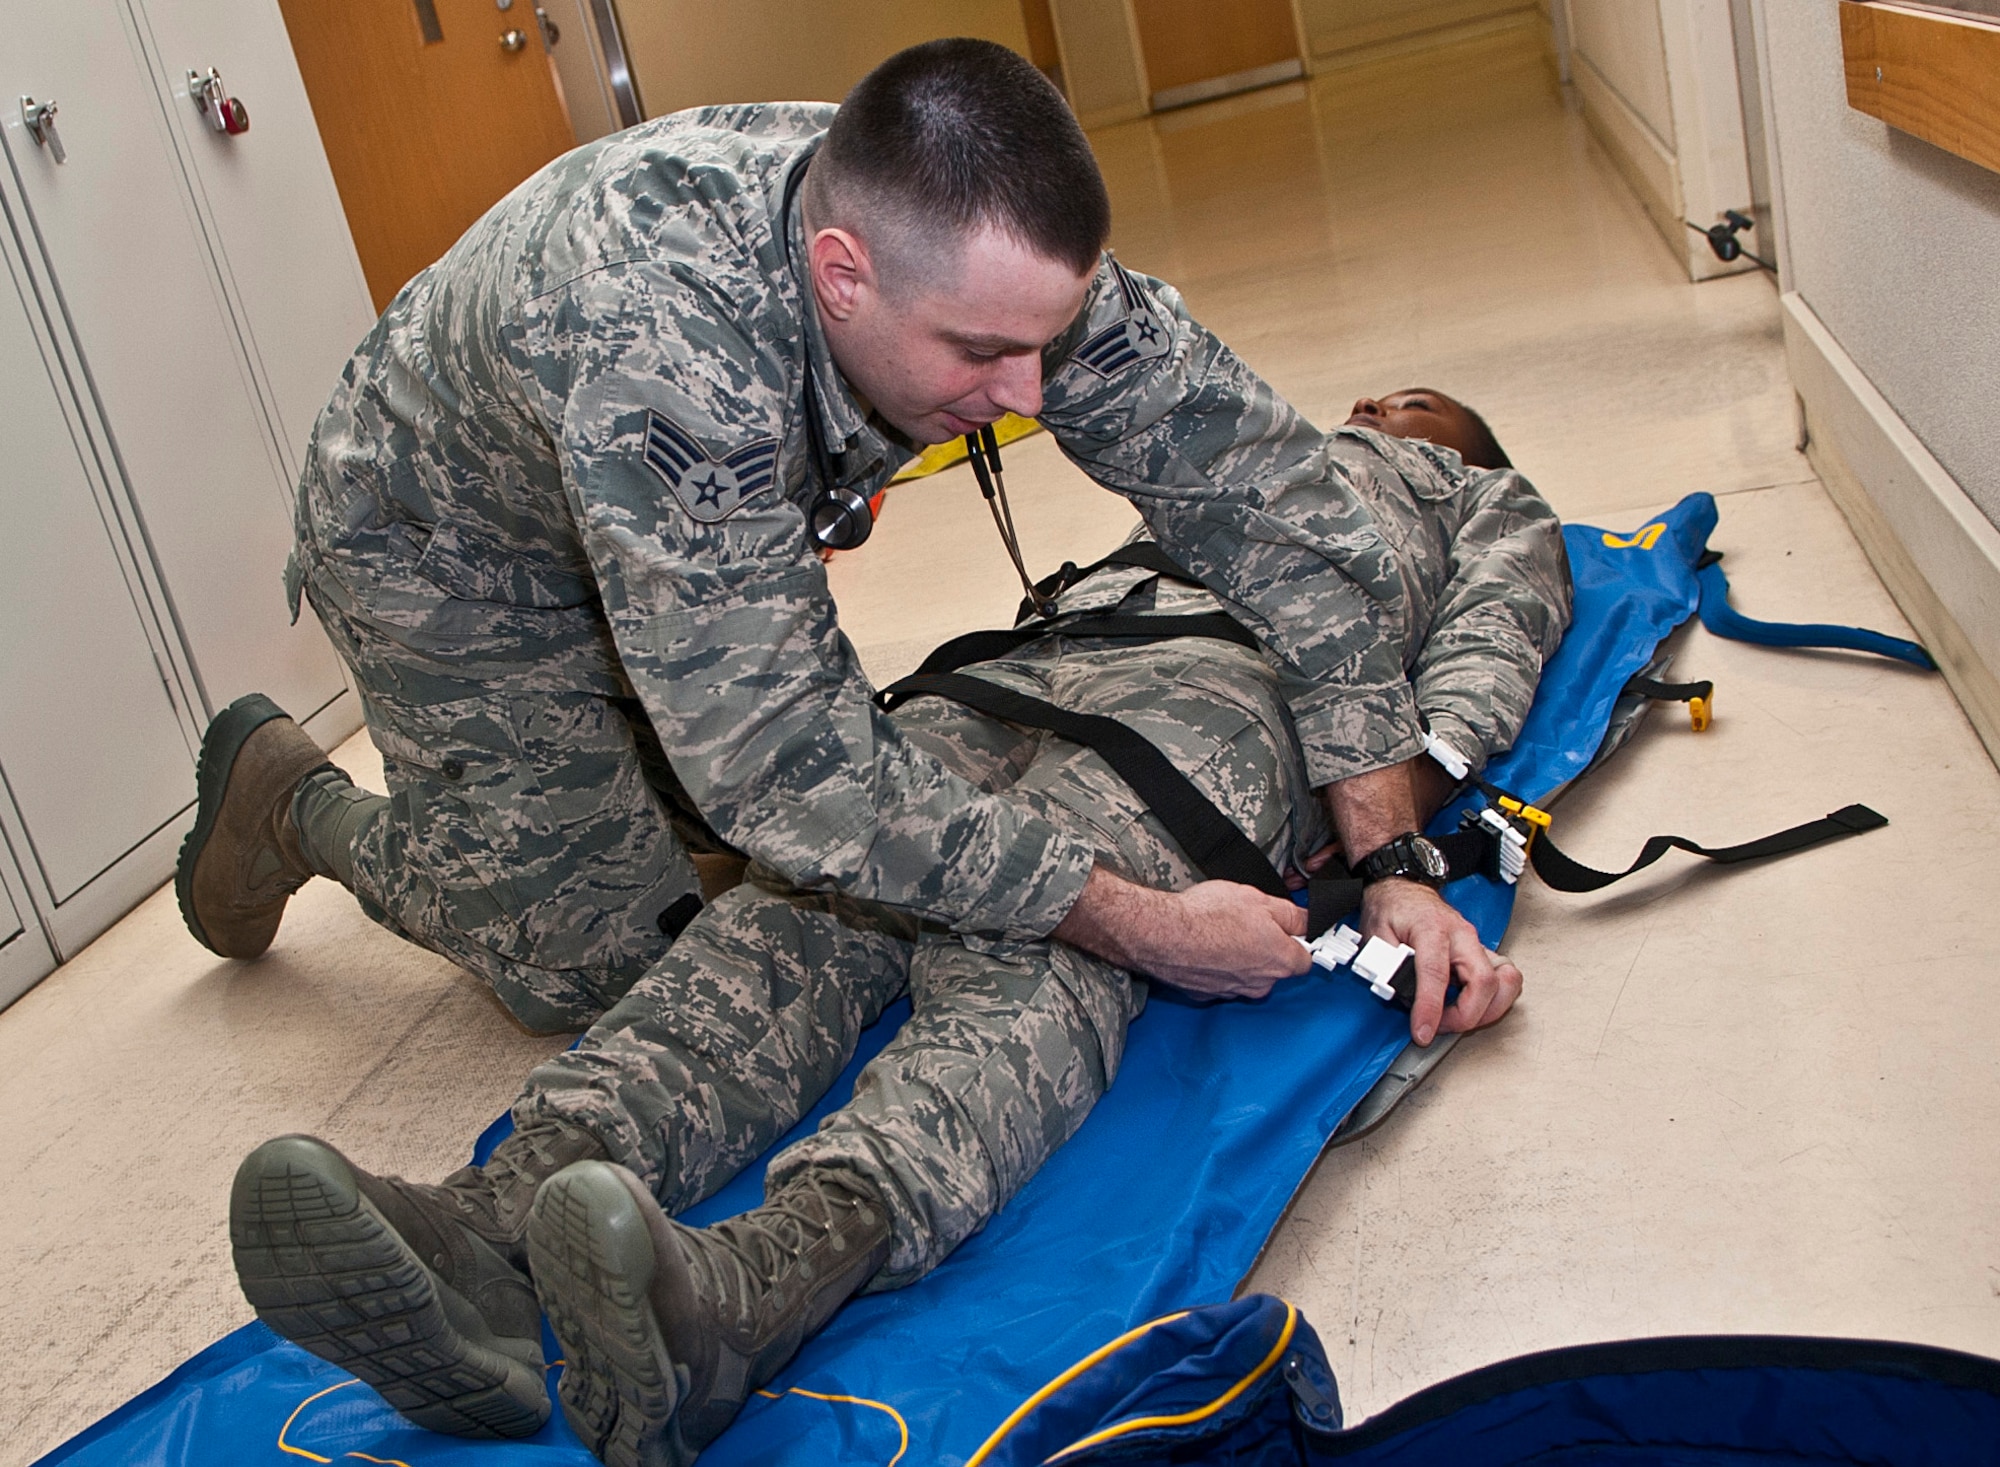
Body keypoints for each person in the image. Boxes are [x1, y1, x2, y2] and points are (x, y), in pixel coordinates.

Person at [228, 391, 1571, 1466]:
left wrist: (1398, 830)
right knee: (799, 910)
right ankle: (486, 1221)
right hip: (1016, 672)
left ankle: (749, 1291)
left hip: (1216, 715)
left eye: (1422, 407)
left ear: (1456, 446)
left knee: (1047, 949)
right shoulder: (1241, 447)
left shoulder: (1472, 498)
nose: (1386, 405)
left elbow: (1497, 634)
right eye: (1385, 397)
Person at [178, 40, 1507, 1038]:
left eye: (1045, 343)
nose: (1030, 398)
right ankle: (289, 802)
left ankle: (612, 774)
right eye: (985, 355)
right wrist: (1148, 924)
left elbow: (1288, 518)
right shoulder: (670, 349)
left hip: (659, 521)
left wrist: (1388, 855)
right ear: (840, 278)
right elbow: (789, 761)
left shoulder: (985, 266)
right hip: (449, 549)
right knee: (604, 965)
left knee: (760, 853)